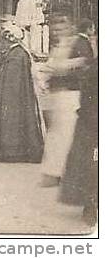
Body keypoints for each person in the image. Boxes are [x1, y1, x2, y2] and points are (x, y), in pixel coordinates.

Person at [38, 12, 94, 188]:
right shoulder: (59, 45)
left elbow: (88, 64)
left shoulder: (80, 43)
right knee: (56, 135)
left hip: (73, 94)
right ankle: (54, 173)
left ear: (70, 27)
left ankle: (65, 175)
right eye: (55, 29)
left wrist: (62, 66)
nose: (57, 32)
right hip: (58, 94)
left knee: (67, 135)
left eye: (61, 28)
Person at [0, 15, 44, 163]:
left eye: (3, 40)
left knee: (11, 121)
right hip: (12, 95)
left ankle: (13, 152)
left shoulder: (17, 55)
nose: (0, 43)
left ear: (9, 39)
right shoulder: (15, 53)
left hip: (12, 96)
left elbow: (12, 82)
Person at [60, 20, 97, 223]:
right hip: (91, 119)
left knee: (90, 162)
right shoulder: (93, 66)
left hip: (92, 119)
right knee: (91, 163)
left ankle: (91, 205)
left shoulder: (93, 66)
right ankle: (91, 204)